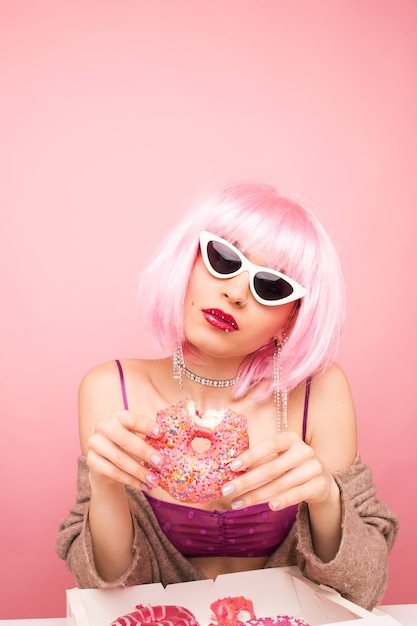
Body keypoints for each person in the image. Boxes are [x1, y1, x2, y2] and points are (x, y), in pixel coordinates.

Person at [56, 182, 398, 610]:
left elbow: (363, 589)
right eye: (223, 259)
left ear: (292, 317)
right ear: (188, 260)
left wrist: (327, 497)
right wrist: (105, 487)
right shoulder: (112, 388)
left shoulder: (318, 393)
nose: (236, 293)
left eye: (271, 286)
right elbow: (106, 588)